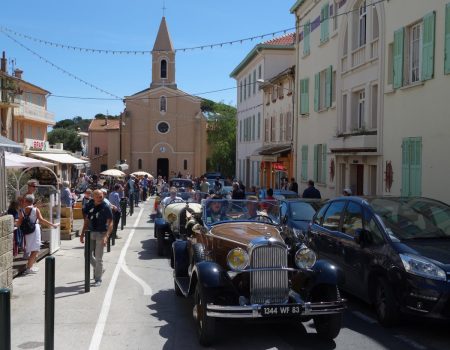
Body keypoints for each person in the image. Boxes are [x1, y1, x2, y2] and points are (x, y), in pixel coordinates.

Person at [17, 194, 59, 274]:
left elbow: (20, 221)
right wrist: (53, 225)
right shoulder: (35, 209)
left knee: (31, 249)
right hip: (34, 230)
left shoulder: (22, 210)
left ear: (26, 201)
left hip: (27, 231)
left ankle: (30, 266)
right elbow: (41, 220)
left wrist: (16, 226)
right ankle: (29, 268)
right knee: (35, 250)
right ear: (32, 201)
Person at [80, 189, 113, 287]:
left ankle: (98, 279)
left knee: (99, 258)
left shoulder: (106, 207)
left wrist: (106, 236)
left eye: (101, 196)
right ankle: (100, 269)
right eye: (98, 196)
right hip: (90, 233)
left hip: (101, 233)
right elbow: (87, 220)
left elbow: (111, 222)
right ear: (93, 197)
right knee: (87, 255)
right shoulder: (89, 205)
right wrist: (82, 234)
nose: (100, 198)